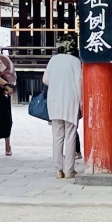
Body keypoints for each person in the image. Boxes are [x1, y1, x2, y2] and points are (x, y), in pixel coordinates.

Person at [42, 37, 83, 178]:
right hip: (71, 100)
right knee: (70, 135)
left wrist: (57, 83)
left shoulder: (53, 60)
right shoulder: (76, 61)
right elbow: (79, 83)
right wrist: (81, 103)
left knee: (57, 136)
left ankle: (58, 170)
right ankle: (69, 169)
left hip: (54, 100)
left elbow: (45, 80)